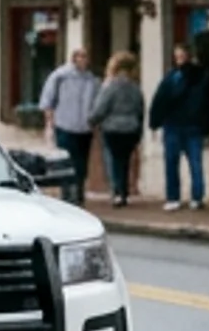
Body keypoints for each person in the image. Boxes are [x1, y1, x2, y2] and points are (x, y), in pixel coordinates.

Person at [154, 44, 209, 211]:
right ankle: (184, 197)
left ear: (188, 56)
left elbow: (161, 100)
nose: (179, 59)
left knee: (188, 163)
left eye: (181, 56)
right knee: (183, 163)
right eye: (176, 56)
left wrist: (155, 121)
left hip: (186, 125)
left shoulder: (183, 76)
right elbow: (160, 100)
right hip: (180, 125)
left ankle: (186, 197)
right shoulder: (175, 76)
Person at [44, 46, 101, 203]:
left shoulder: (92, 80)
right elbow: (48, 100)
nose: (83, 60)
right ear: (73, 58)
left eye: (85, 57)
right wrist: (51, 120)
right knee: (67, 161)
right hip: (64, 125)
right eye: (80, 57)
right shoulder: (61, 76)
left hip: (85, 128)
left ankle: (79, 192)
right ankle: (67, 194)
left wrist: (94, 122)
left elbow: (97, 103)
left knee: (81, 163)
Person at [94, 53, 146, 209]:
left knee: (113, 160)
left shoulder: (111, 86)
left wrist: (92, 120)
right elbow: (140, 109)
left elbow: (100, 108)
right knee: (125, 161)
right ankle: (124, 191)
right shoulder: (135, 88)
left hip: (112, 127)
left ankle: (116, 191)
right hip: (131, 127)